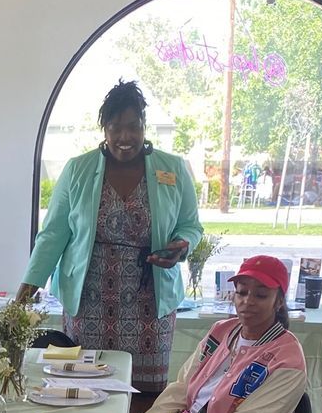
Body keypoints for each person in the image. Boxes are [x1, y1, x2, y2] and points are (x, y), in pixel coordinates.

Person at [17, 80, 202, 393]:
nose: (125, 137)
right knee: (83, 388)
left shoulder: (172, 169)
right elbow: (53, 235)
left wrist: (181, 245)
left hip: (150, 300)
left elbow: (191, 225)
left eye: (133, 127)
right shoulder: (78, 169)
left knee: (145, 393)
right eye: (115, 128)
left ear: (145, 126)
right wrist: (24, 291)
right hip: (90, 301)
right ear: (104, 129)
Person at [118, 255, 306, 413]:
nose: (247, 301)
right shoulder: (222, 331)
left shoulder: (288, 359)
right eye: (242, 292)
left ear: (279, 301)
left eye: (261, 295)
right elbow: (182, 388)